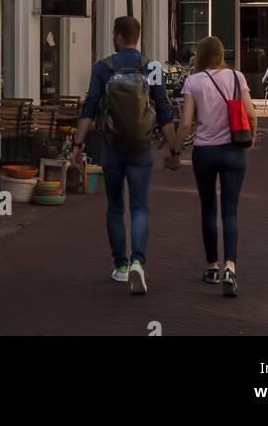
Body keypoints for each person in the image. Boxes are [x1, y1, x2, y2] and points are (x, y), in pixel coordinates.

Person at [71, 15, 178, 295]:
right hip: (142, 147)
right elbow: (164, 111)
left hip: (112, 146)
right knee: (140, 206)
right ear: (137, 37)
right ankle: (138, 262)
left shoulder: (102, 68)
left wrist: (77, 145)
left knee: (116, 206)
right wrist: (174, 149)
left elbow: (90, 107)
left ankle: (120, 266)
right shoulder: (152, 67)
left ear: (118, 37)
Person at [171, 34, 257, 297]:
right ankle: (230, 266)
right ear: (221, 54)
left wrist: (174, 151)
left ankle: (212, 266)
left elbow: (186, 123)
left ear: (200, 55)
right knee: (230, 210)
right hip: (233, 151)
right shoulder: (237, 77)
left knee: (208, 208)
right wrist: (251, 139)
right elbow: (251, 113)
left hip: (205, 153)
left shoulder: (193, 81)